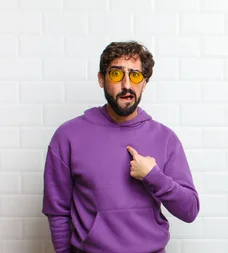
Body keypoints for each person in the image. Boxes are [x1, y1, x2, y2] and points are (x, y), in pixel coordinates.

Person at [42, 41, 200, 253]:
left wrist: (154, 176)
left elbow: (189, 210)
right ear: (101, 79)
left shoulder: (165, 139)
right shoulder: (68, 136)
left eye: (135, 75)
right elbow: (57, 212)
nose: (127, 85)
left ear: (144, 83)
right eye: (116, 74)